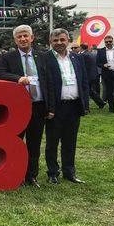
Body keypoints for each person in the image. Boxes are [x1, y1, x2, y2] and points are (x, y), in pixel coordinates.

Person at [0, 25, 55, 187]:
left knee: (34, 144)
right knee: (16, 143)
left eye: (25, 36)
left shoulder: (42, 57)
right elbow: (0, 73)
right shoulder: (8, 57)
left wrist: (51, 108)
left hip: (38, 106)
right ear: (15, 40)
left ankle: (31, 176)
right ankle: (17, 175)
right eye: (19, 37)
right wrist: (18, 78)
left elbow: (49, 82)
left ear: (32, 38)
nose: (22, 39)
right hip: (17, 109)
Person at [44, 28, 89, 184]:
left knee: (70, 141)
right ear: (50, 42)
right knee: (52, 142)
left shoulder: (77, 58)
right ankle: (52, 173)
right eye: (55, 40)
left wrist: (85, 104)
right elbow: (45, 85)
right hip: (55, 108)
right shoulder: (45, 58)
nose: (59, 43)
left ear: (68, 40)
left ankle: (69, 172)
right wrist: (48, 107)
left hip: (74, 106)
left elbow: (83, 82)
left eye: (62, 39)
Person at [79, 43, 104, 109]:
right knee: (90, 91)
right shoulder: (91, 54)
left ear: (81, 47)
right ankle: (101, 102)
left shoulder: (83, 55)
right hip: (93, 75)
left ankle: (86, 106)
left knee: (86, 91)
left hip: (87, 76)